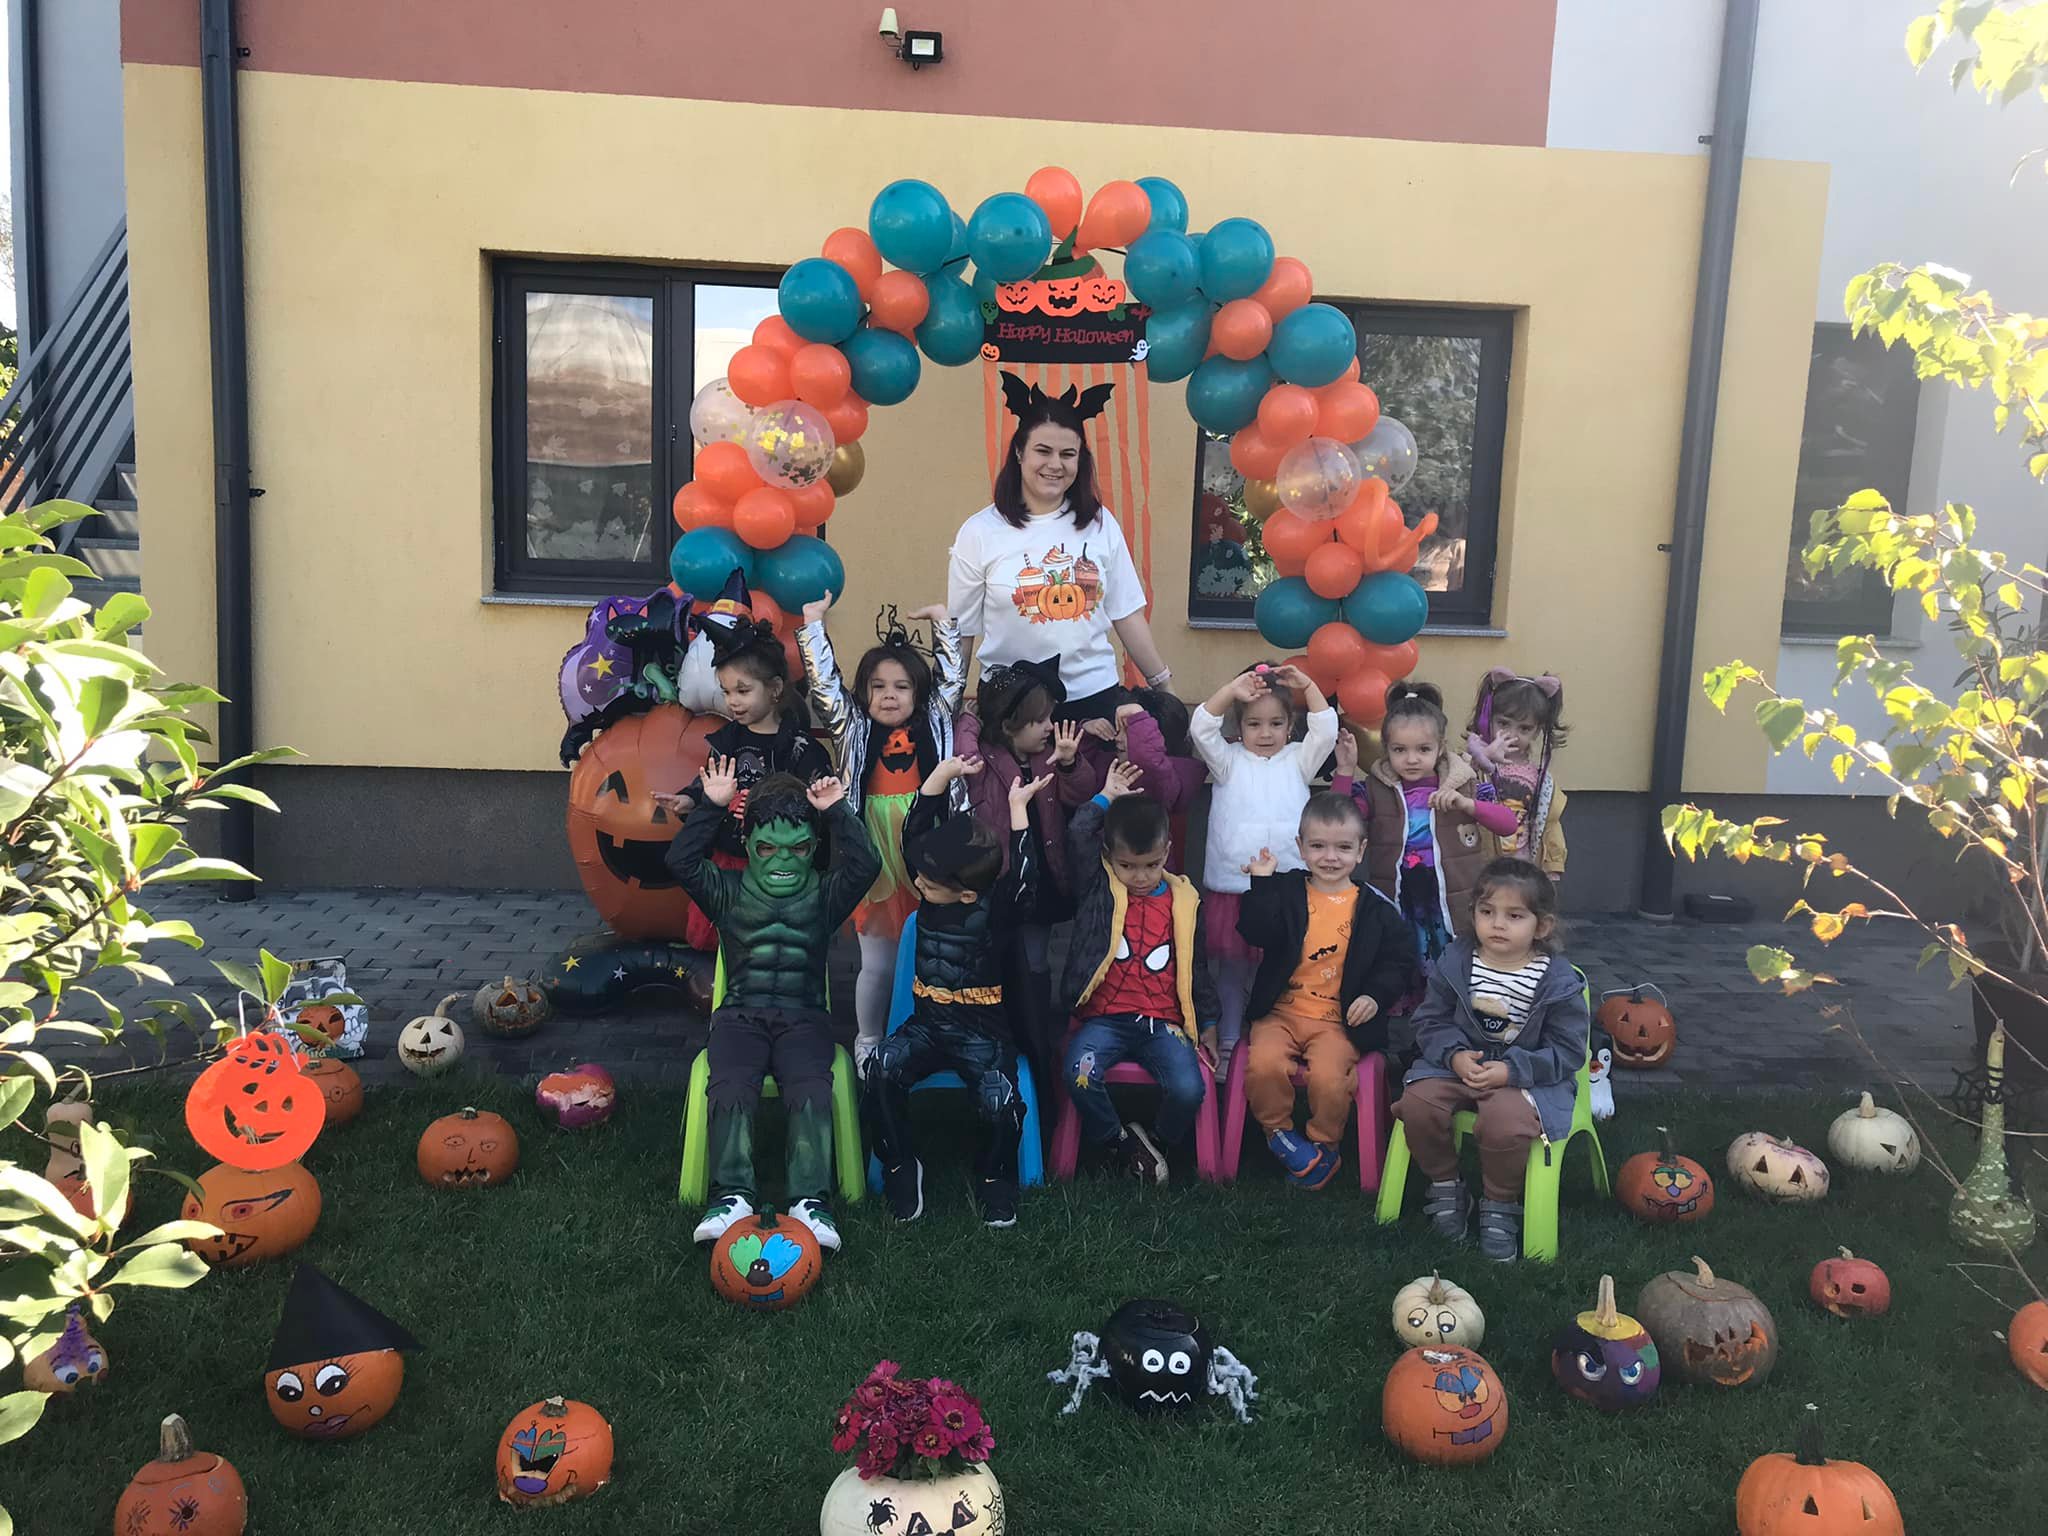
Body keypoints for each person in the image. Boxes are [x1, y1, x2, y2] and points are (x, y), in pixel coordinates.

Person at [666, 760, 879, 1253]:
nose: (783, 859)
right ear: (747, 843)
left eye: (798, 848)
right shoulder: (726, 891)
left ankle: (810, 1200)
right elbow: (680, 861)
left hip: (804, 1018)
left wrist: (837, 811)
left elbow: (867, 865)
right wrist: (710, 807)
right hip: (740, 1017)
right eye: (768, 847)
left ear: (814, 845)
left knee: (810, 1090)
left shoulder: (825, 896)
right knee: (730, 1087)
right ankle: (732, 1195)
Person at [864, 757, 1049, 1228]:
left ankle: (995, 1175)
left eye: (928, 883)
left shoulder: (995, 912)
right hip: (926, 1027)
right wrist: (939, 779)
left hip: (981, 1034)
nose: (917, 883)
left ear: (968, 894)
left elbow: (1025, 883)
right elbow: (913, 839)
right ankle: (900, 1164)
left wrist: (1018, 812)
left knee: (1000, 1101)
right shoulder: (932, 894)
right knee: (880, 1069)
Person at [798, 594, 964, 1070]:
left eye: (901, 686)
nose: (889, 695)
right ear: (864, 694)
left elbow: (953, 680)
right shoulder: (853, 727)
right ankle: (868, 1039)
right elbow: (825, 688)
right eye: (878, 687)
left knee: (931, 958)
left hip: (926, 854)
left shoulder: (935, 719)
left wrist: (943, 625)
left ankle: (927, 1035)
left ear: (919, 693)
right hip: (876, 860)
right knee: (878, 963)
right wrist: (813, 625)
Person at [947, 375, 1173, 723]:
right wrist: (947, 707)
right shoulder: (979, 532)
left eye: (1068, 454)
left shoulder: (1100, 524)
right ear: (1019, 452)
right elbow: (962, 632)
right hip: (1011, 709)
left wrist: (1164, 688)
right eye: (1043, 451)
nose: (1055, 465)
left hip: (1093, 705)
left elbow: (1126, 614)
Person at [1395, 857, 1589, 1262]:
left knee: (1506, 1121)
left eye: (1514, 916)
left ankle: (1500, 1202)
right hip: (1457, 1064)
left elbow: (1568, 1051)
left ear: (1542, 926)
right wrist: (1454, 1055)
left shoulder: (1557, 981)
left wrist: (1512, 1070)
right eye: (1487, 912)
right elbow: (1429, 1020)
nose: (1498, 924)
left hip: (1526, 1076)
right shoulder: (1455, 962)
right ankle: (1445, 1184)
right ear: (1474, 915)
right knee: (1418, 1103)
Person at [1235, 793, 1416, 1189]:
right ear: (1300, 847)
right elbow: (1255, 931)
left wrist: (1375, 996)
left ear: (1361, 850)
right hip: (1281, 1013)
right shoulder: (1285, 891)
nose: (1330, 857)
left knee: (1330, 1077)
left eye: (1343, 848)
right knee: (1263, 1064)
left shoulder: (1375, 908)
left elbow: (1400, 960)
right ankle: (1278, 1134)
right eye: (1318, 846)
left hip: (1338, 1020)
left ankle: (1324, 1144)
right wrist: (1261, 883)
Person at [1058, 760, 1220, 1182]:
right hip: (1104, 1020)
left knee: (1190, 1089)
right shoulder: (1099, 887)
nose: (1140, 876)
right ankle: (1120, 1144)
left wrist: (1208, 1023)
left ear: (1166, 852)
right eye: (1127, 866)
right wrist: (1105, 797)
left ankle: (1156, 1143)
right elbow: (1077, 833)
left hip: (1163, 1023)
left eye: (1150, 864)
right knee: (1078, 1074)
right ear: (1109, 856)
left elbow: (1196, 967)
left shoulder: (1185, 902)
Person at [955, 656, 1103, 1092]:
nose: (1049, 727)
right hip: (1000, 879)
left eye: (1050, 718)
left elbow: (1082, 792)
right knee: (1000, 955)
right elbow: (963, 752)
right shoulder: (985, 759)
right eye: (1039, 720)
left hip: (1040, 877)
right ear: (1008, 724)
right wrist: (970, 717)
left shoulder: (1048, 757)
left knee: (1037, 957)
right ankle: (1003, 1028)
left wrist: (1071, 764)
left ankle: (1037, 1030)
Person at [1188, 663, 1340, 1075]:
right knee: (1232, 968)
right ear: (1239, 726)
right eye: (1254, 724)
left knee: (1276, 966)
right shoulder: (1226, 761)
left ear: (1291, 725)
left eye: (1276, 723)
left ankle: (1266, 1042)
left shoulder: (1299, 760)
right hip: (1235, 885)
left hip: (1285, 884)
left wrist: (1308, 685)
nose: (1266, 733)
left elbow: (1326, 729)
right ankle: (1229, 1042)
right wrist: (1229, 691)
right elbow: (1201, 727)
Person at [667, 578, 833, 953]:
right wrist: (690, 799)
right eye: (726, 692)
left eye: (743, 691)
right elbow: (710, 782)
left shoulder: (800, 750)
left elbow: (819, 808)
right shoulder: (727, 742)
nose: (733, 701)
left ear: (774, 689)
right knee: (730, 945)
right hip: (731, 864)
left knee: (773, 945)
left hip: (779, 867)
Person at [1332, 680, 1516, 974]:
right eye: (1399, 749)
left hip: (1450, 896)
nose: (1412, 759)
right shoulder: (1376, 790)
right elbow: (1337, 822)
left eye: (1423, 749)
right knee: (1400, 962)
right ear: (1386, 749)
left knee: (1452, 965)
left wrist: (1468, 805)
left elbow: (1508, 825)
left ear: (1440, 748)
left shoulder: (1464, 785)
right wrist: (1344, 770)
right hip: (1398, 895)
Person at [1465, 669, 1569, 882]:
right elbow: (1457, 788)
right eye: (1503, 724)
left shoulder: (1541, 781)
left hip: (1522, 868)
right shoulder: (1471, 764)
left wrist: (1552, 865)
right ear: (1487, 719)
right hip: (1478, 864)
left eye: (1524, 728)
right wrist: (1483, 758)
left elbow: (1550, 825)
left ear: (1537, 731)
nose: (1512, 734)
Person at [1112, 690, 1204, 874]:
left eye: (1128, 730)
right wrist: (1087, 732)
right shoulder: (1117, 764)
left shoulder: (1168, 777)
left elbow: (1149, 762)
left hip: (1152, 884)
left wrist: (1138, 717)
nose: (1117, 738)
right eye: (1118, 729)